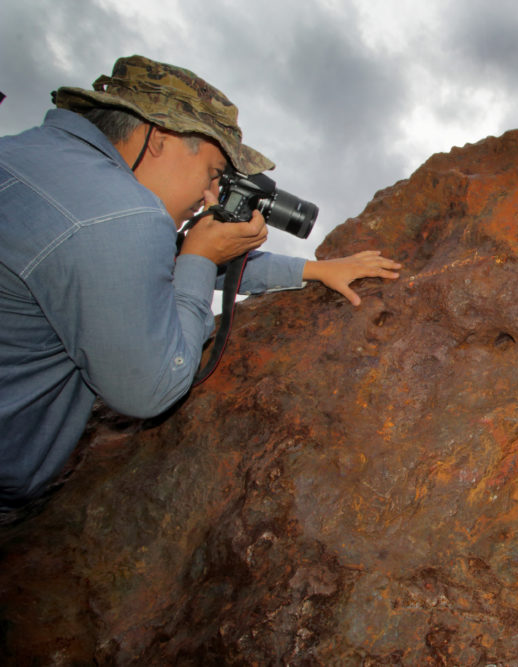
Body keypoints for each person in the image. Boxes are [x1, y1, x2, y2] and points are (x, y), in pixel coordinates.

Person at [0, 55, 401, 512]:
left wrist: (312, 271)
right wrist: (197, 257)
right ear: (160, 138)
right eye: (213, 174)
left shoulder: (33, 156)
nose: (210, 197)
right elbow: (150, 388)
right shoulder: (121, 215)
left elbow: (162, 260)